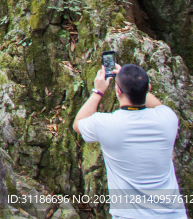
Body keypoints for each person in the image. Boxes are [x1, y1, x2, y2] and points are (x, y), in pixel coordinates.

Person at [73, 63, 186, 218]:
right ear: (149, 89)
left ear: (118, 91)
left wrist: (98, 91)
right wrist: (133, 82)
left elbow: (78, 123)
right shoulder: (168, 118)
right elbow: (157, 105)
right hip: (173, 214)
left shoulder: (106, 124)